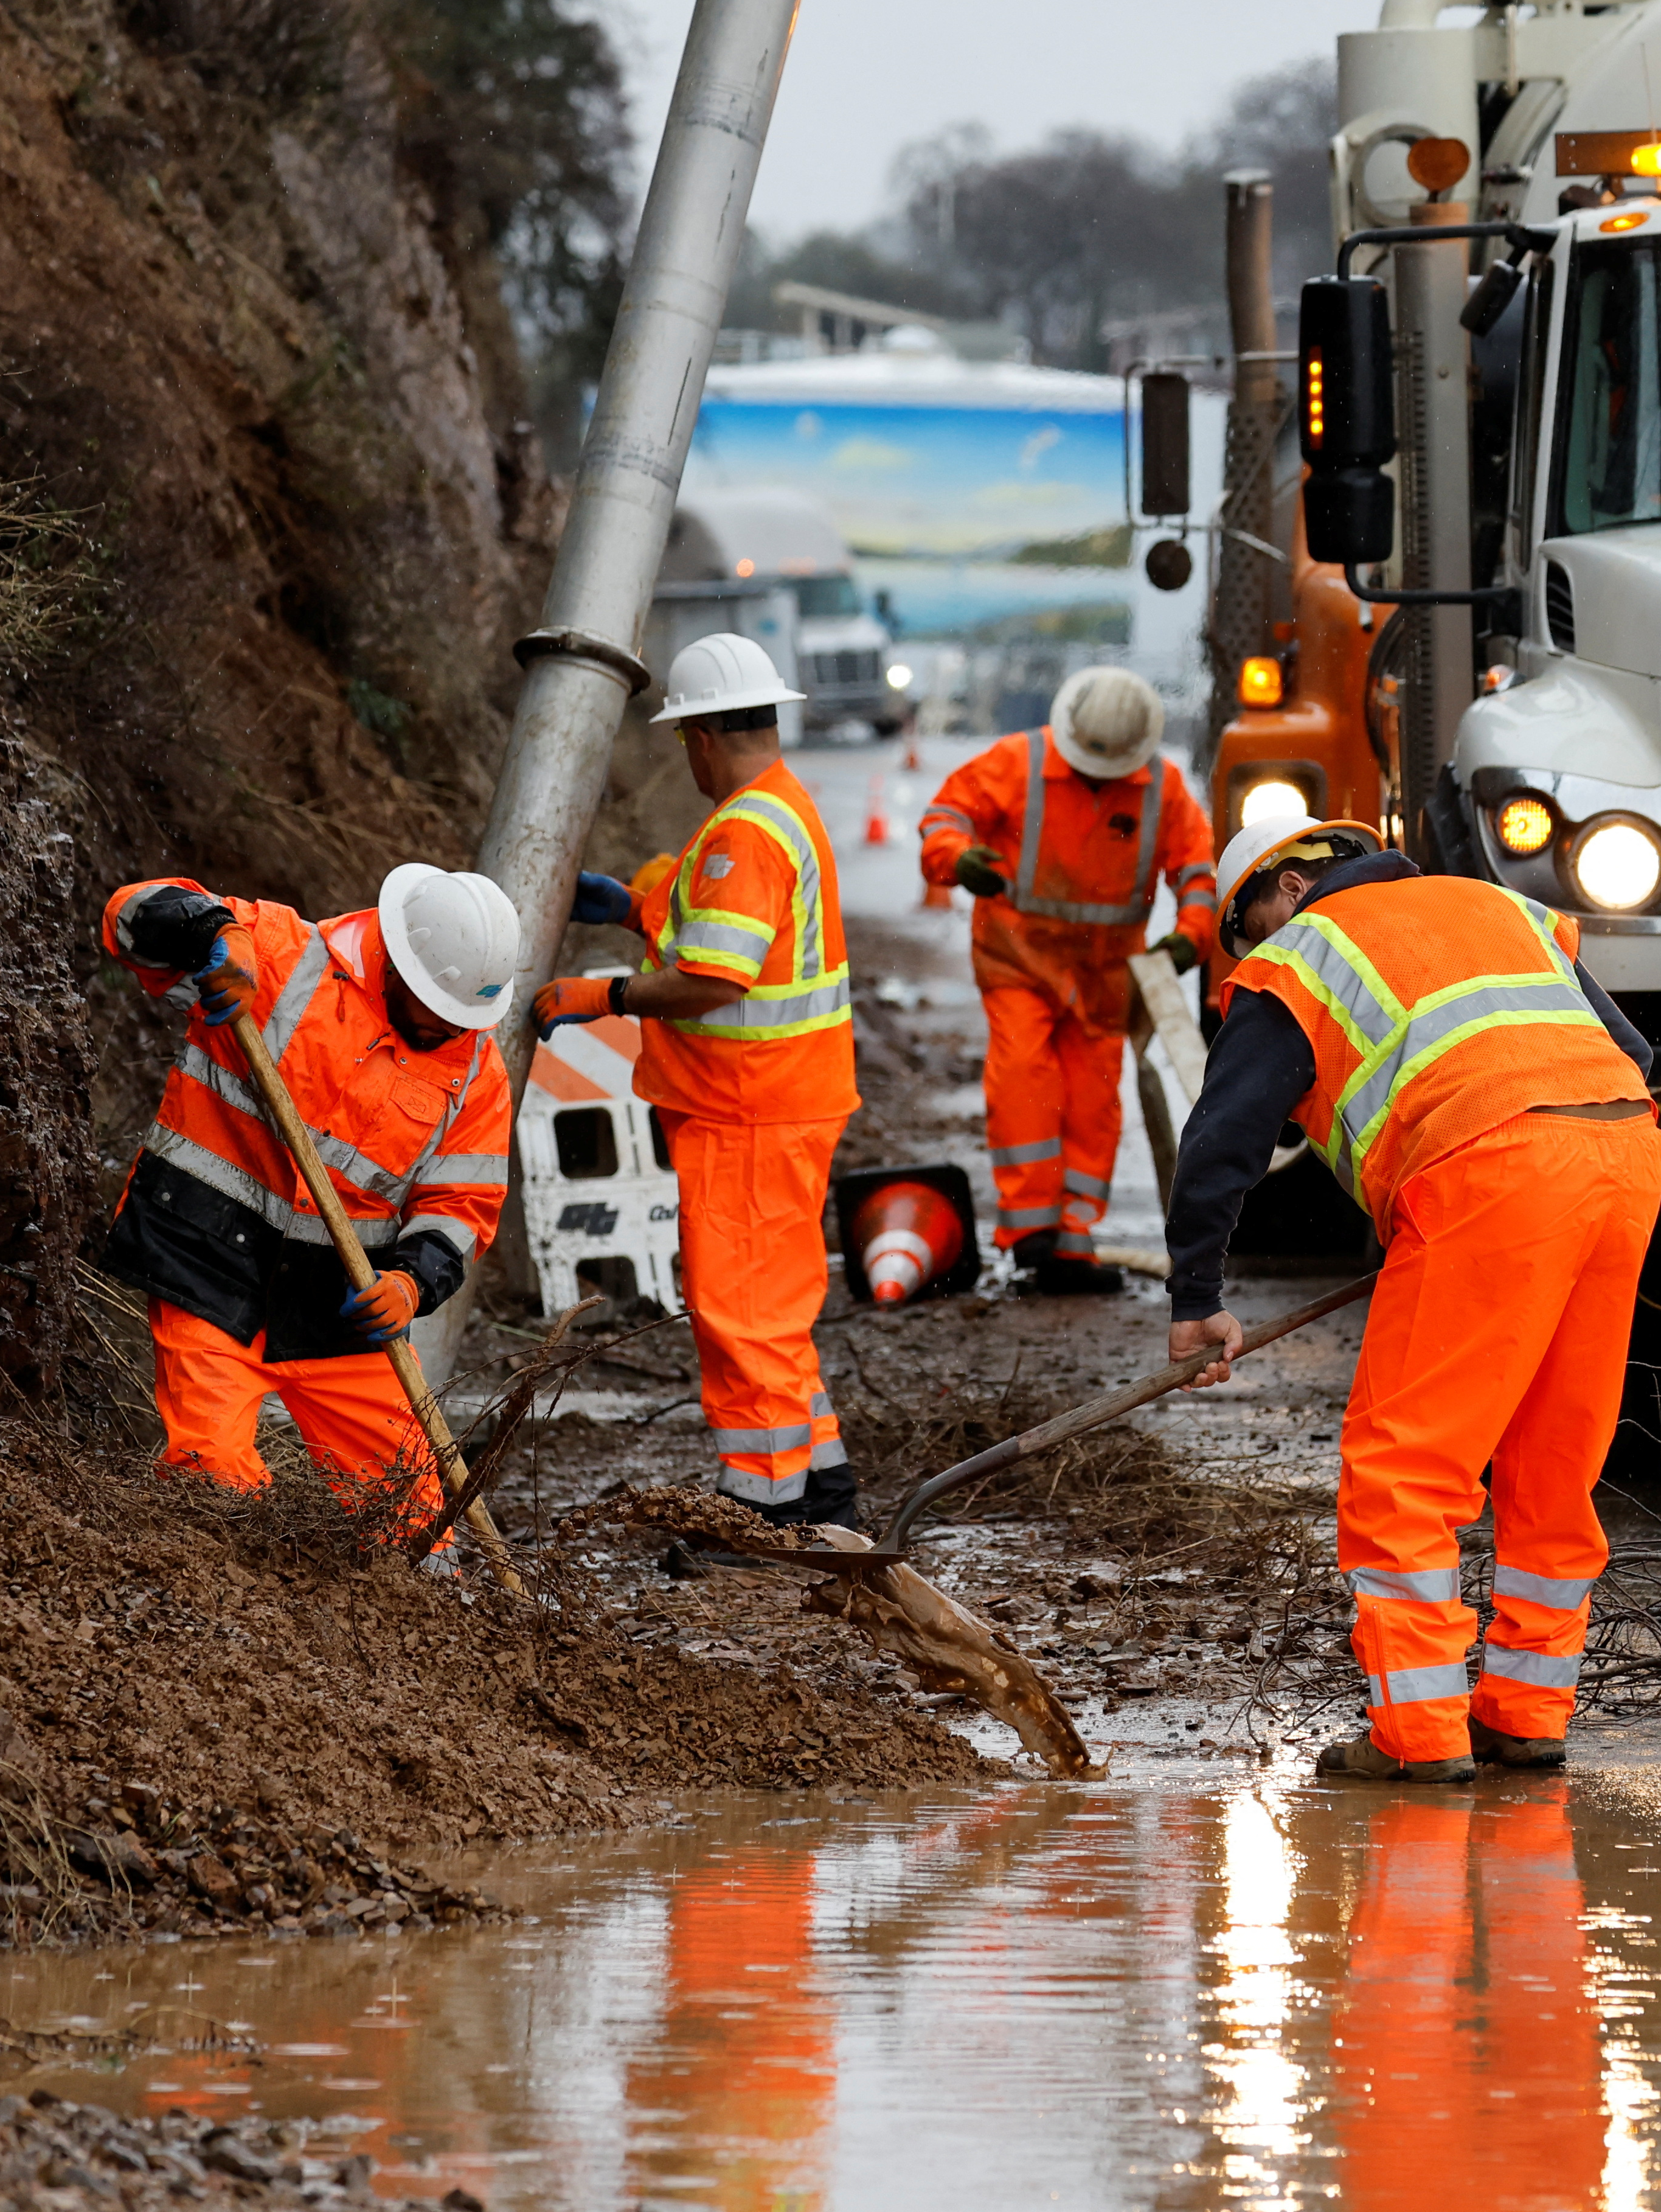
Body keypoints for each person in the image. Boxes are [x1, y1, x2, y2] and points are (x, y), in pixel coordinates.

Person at [1162, 815, 1661, 1784]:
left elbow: (1222, 1139)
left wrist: (1198, 1297)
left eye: (1249, 927)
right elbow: (1631, 1049)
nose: (1254, 953)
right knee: (1552, 1460)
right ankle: (1526, 1713)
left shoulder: (1301, 956)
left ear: (1289, 888)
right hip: (1623, 1156)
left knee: (1403, 1466)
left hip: (1491, 1174)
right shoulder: (1501, 907)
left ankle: (1420, 1734)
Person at [97, 860, 521, 1557]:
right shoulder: (286, 954)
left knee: (414, 1528)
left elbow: (460, 1205)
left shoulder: (476, 1071)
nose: (450, 1030)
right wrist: (214, 938)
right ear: (399, 967)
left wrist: (411, 1283)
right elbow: (128, 911)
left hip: (341, 1306)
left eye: (463, 1019)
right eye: (438, 1012)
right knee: (213, 1485)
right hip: (211, 1265)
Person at [530, 633, 859, 1528]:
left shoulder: (745, 830)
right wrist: (637, 905)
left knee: (740, 1314)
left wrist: (603, 993)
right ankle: (820, 1483)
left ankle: (759, 1505)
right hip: (778, 1102)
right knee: (770, 1309)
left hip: (749, 1106)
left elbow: (715, 978)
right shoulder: (780, 810)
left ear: (701, 736)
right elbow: (726, 933)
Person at [916, 667, 1216, 1293]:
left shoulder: (1161, 790)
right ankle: (1032, 1235)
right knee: (1026, 1079)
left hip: (1104, 976)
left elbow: (1196, 869)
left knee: (1092, 1103)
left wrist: (1193, 933)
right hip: (1017, 958)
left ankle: (1072, 1242)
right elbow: (946, 816)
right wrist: (956, 860)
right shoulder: (1017, 762)